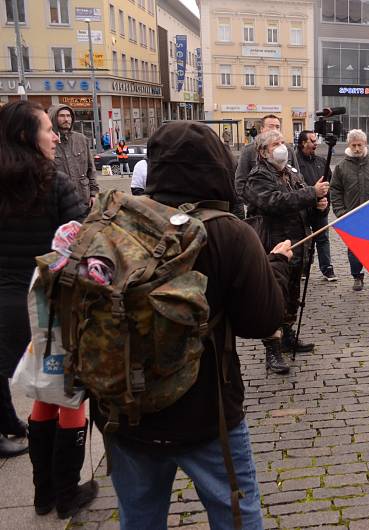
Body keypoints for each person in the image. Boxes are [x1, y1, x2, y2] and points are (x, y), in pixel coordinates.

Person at [99, 121, 291, 529]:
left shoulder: (113, 223)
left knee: (139, 519)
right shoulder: (228, 232)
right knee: (235, 517)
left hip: (125, 411)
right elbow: (264, 319)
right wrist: (276, 265)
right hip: (208, 414)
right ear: (217, 165)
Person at [0, 101, 91, 515]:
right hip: (52, 307)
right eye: (47, 130)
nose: (56, 136)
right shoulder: (53, 182)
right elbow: (83, 243)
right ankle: (67, 494)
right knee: (69, 396)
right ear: (26, 136)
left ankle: (42, 494)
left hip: (9, 307)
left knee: (42, 394)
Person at [244, 130, 329, 374]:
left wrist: (320, 205)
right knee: (273, 298)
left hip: (298, 244)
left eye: (283, 142)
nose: (282, 147)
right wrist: (311, 194)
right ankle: (273, 349)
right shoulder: (258, 177)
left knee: (292, 294)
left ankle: (288, 334)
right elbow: (276, 201)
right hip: (274, 246)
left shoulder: (292, 173)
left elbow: (304, 204)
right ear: (263, 151)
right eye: (275, 144)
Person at [330, 129, 369, 291]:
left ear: (365, 144)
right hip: (352, 215)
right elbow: (335, 191)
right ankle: (357, 276)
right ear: (349, 145)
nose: (357, 148)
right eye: (354, 145)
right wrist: (341, 212)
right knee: (355, 249)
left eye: (360, 145)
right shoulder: (341, 167)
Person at [234, 114, 297, 219]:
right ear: (262, 129)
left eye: (277, 126)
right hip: (262, 211)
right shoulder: (249, 150)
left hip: (287, 208)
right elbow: (240, 180)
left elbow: (296, 175)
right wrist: (254, 202)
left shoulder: (287, 149)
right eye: (271, 126)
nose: (275, 129)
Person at [295, 130, 337, 281]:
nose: (316, 144)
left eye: (316, 140)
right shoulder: (294, 163)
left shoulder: (321, 161)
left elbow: (329, 183)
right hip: (302, 209)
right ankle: (303, 269)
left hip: (321, 208)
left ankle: (327, 268)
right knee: (303, 239)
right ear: (302, 143)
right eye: (312, 141)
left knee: (323, 238)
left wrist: (326, 204)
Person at [49, 104, 98, 210]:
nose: (66, 119)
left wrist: (94, 194)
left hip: (84, 199)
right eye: (61, 116)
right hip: (60, 203)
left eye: (68, 116)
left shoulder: (81, 139)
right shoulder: (48, 141)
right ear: (54, 118)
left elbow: (91, 169)